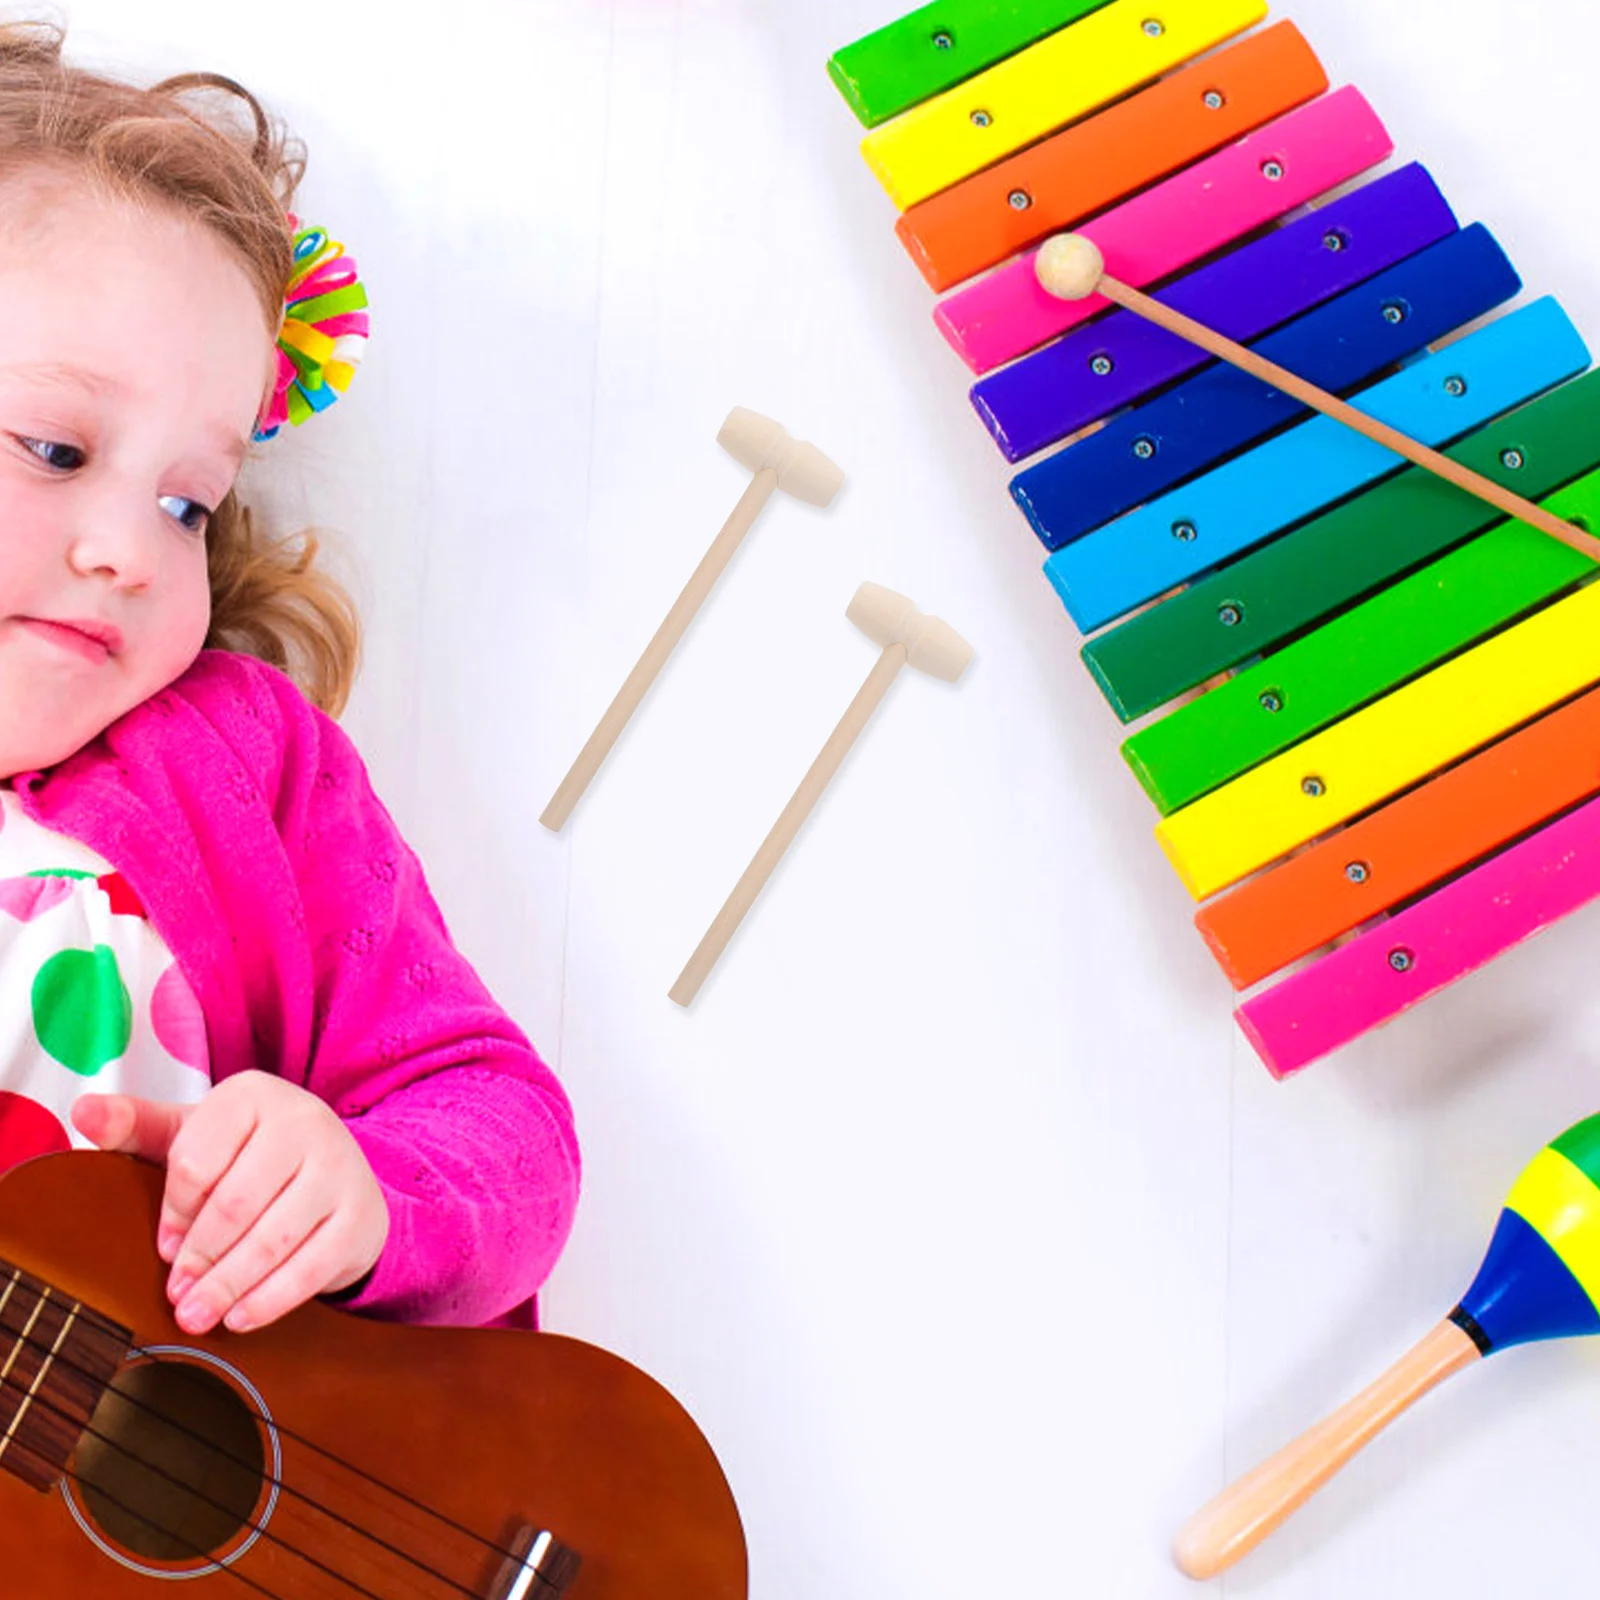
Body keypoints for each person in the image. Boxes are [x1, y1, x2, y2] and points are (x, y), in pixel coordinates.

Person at [0, 19, 579, 1337]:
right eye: (52, 447)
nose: (128, 551)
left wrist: (364, 1189)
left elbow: (504, 1122)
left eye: (190, 502)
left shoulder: (242, 758)